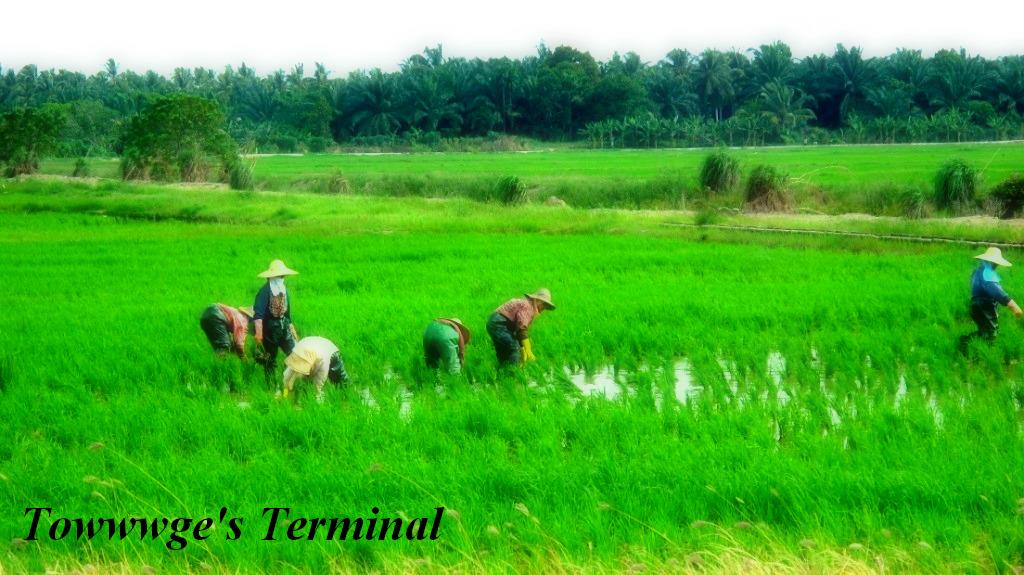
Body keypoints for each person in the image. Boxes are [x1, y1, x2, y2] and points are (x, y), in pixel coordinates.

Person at [965, 247, 1022, 342]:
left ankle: (969, 343)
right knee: (991, 332)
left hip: (975, 304)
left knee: (984, 329)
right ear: (993, 262)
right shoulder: (988, 273)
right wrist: (1013, 305)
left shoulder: (978, 271)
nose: (997, 265)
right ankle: (972, 344)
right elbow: (997, 291)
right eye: (996, 263)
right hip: (984, 305)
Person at [486, 289, 555, 366]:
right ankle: (514, 370)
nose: (543, 308)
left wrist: (523, 348)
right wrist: (528, 351)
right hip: (498, 324)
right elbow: (522, 330)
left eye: (545, 306)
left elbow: (518, 332)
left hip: (495, 322)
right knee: (514, 347)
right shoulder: (528, 307)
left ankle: (503, 367)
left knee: (504, 349)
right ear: (537, 300)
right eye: (544, 304)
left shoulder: (527, 305)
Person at [253, 259, 299, 370]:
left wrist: (292, 329)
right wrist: (259, 334)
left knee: (294, 353)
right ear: (272, 277)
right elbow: (258, 315)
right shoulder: (264, 291)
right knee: (270, 358)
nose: (281, 278)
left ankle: (287, 377)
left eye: (282, 276)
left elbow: (287, 313)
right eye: (279, 276)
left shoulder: (284, 290)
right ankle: (271, 386)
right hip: (270, 329)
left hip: (284, 325)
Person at [282, 336, 348, 402]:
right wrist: (285, 394)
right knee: (304, 382)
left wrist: (318, 404)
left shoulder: (323, 363)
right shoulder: (297, 354)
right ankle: (303, 397)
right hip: (307, 344)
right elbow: (286, 378)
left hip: (330, 351)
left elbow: (318, 387)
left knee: (341, 381)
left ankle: (346, 397)